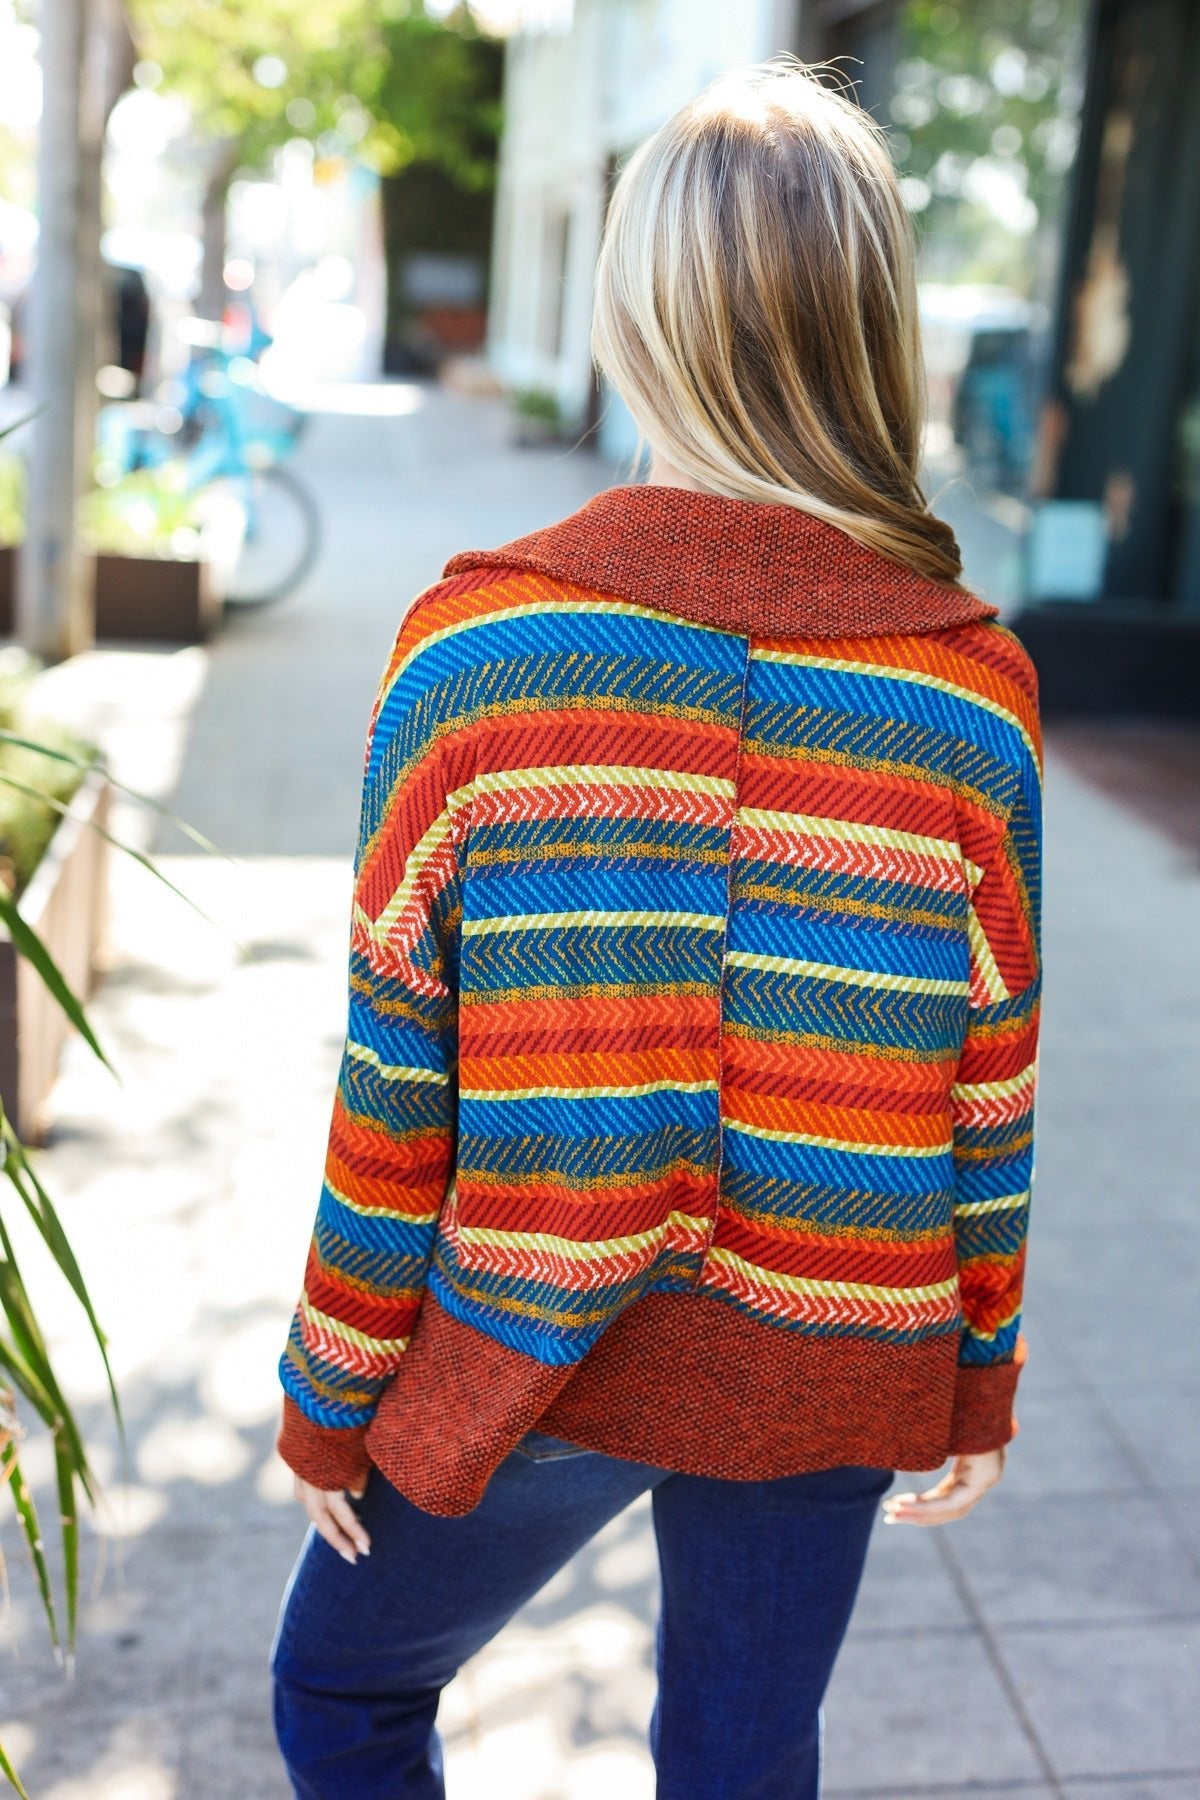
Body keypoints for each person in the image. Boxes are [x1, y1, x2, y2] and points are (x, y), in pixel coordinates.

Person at [269, 57, 1042, 1800]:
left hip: (537, 1334)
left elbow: (402, 1072)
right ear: (871, 329)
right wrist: (977, 1365)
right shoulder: (973, 691)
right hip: (842, 1335)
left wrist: (334, 1384)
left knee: (341, 1695)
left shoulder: (480, 655)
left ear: (632, 319)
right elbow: (995, 1073)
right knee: (746, 1754)